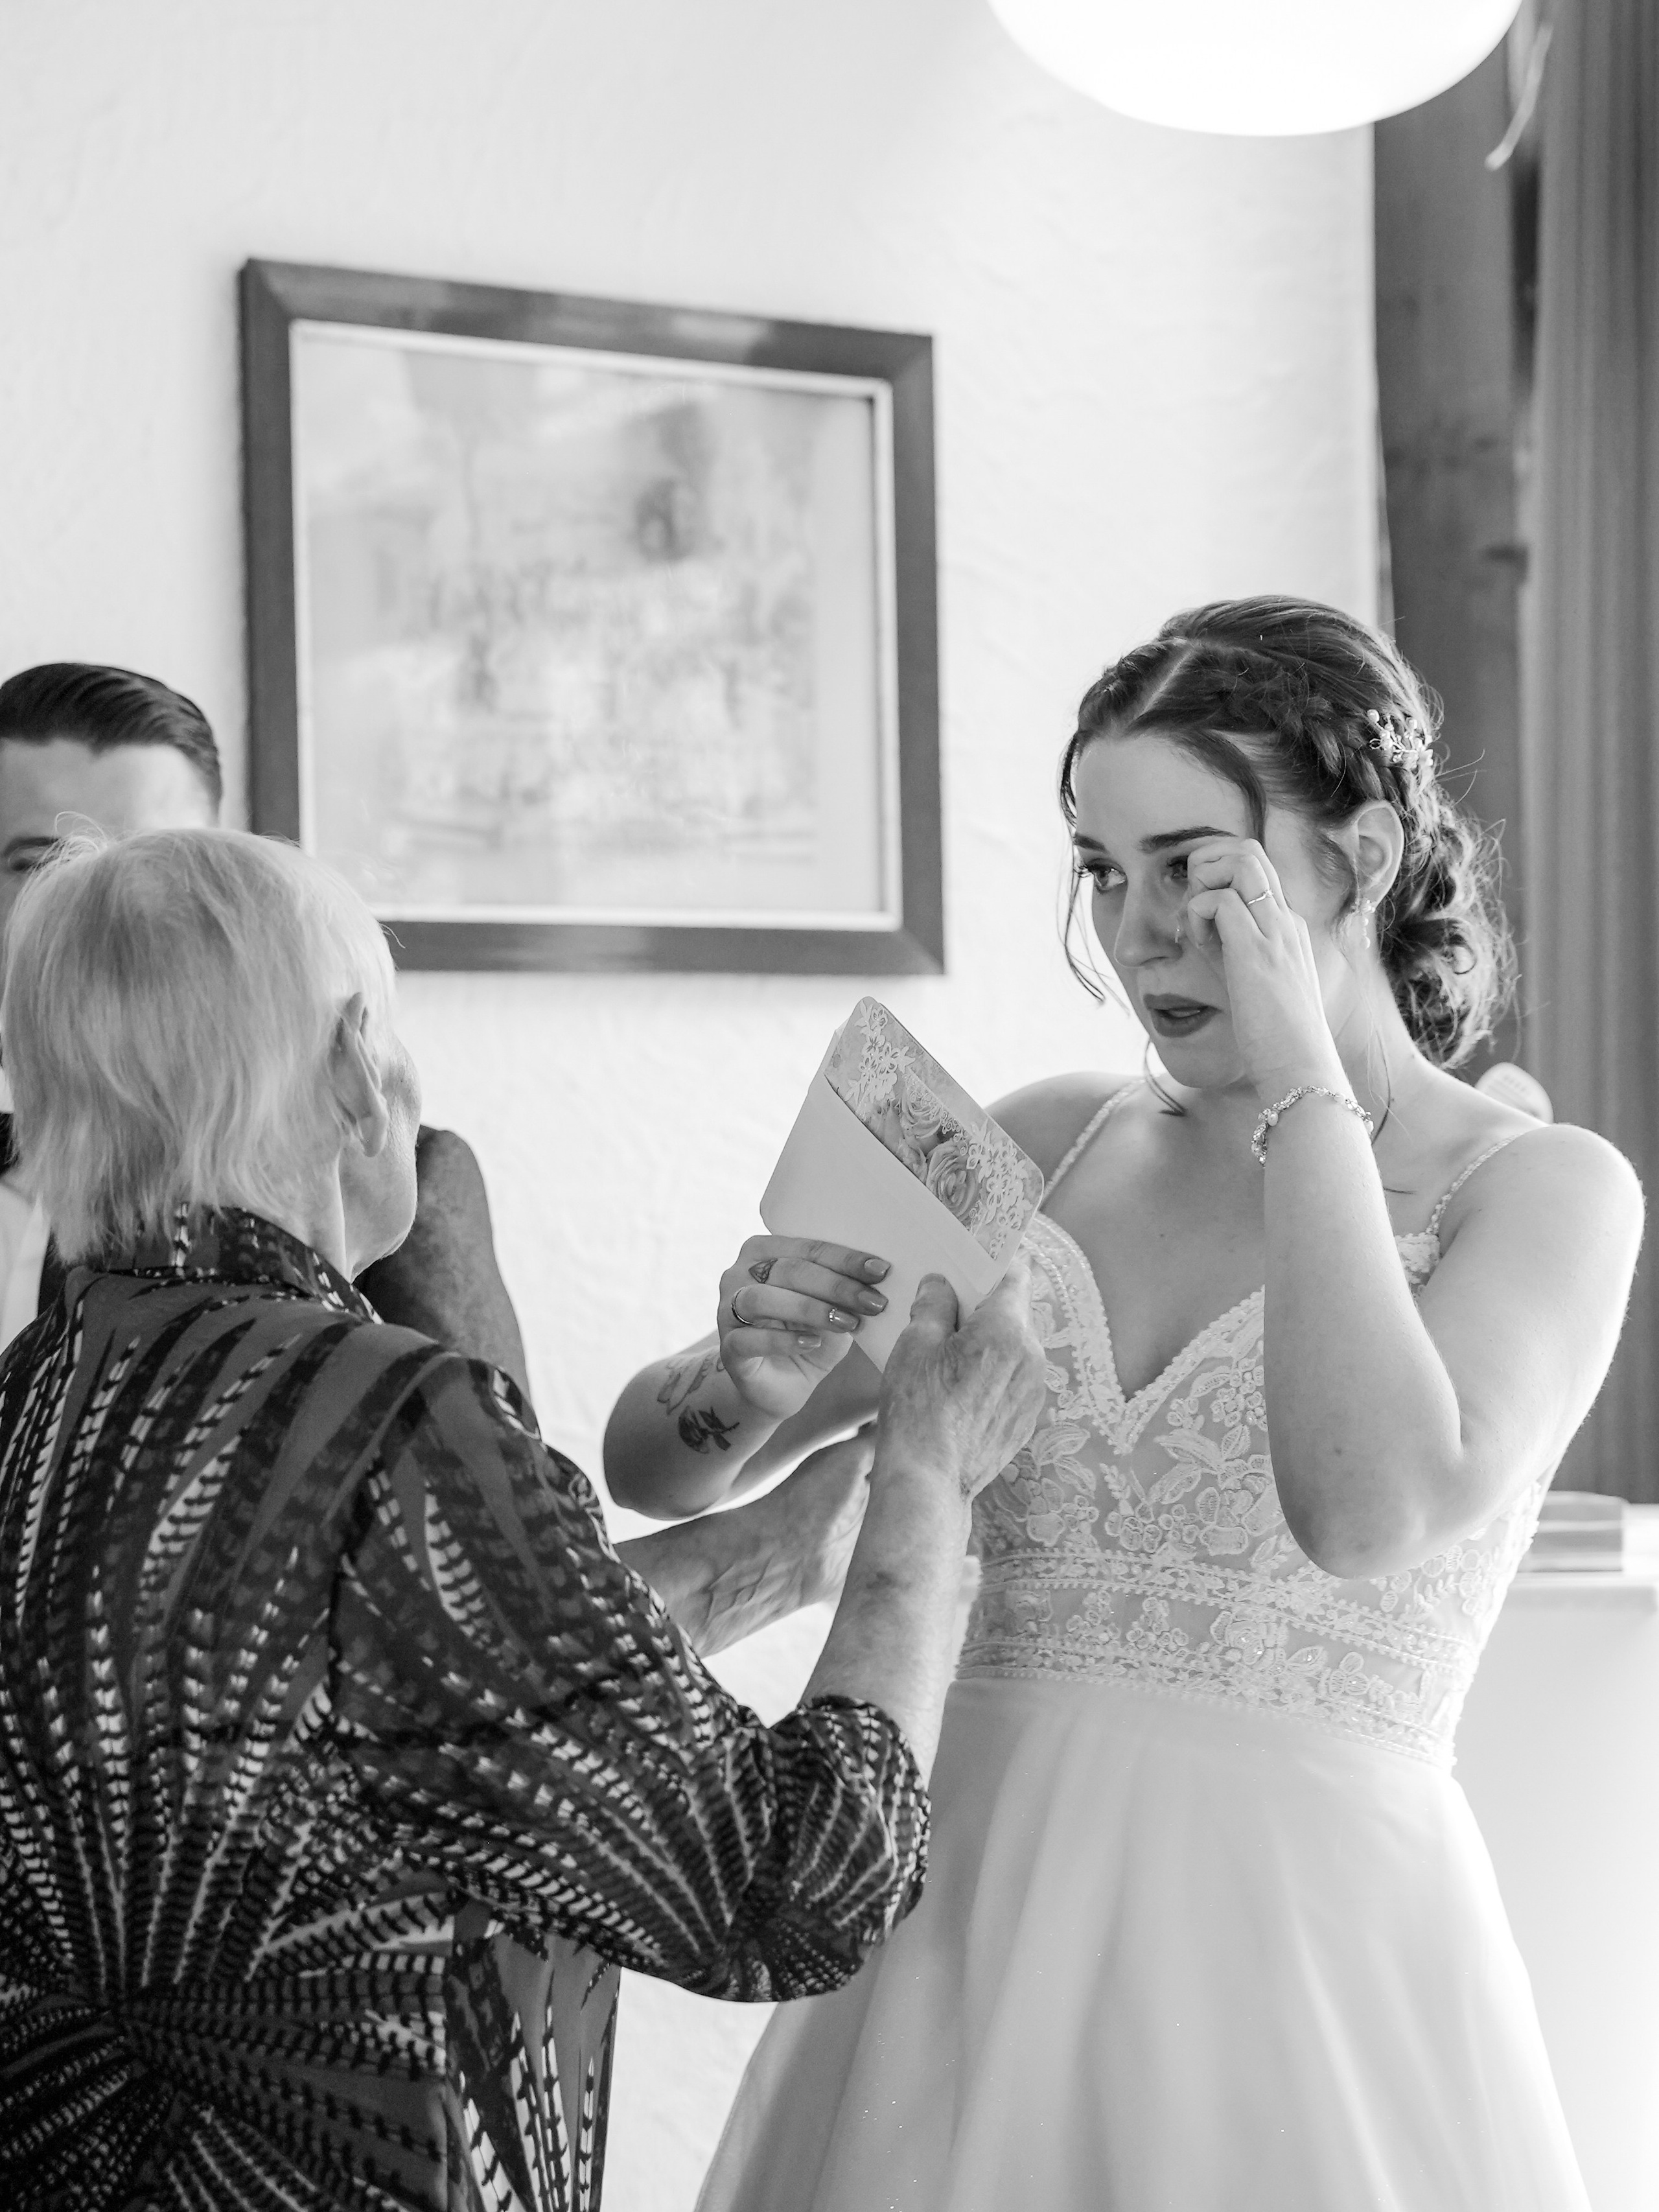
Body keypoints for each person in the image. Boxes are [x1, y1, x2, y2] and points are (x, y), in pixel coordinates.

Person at [606, 597, 1645, 2212]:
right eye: (1099, 869)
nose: (1137, 932)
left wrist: (1301, 1086)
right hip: (957, 1933)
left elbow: (1364, 1501)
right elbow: (655, 1469)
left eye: (1191, 870)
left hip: (1299, 1965)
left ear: (1359, 856)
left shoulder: (1545, 1191)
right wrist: (731, 1388)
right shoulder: (1044, 1140)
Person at [0, 826, 1047, 2211]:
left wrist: (781, 1547)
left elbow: (394, 1715)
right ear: (354, 1066)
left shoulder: (37, 1397)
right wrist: (926, 1477)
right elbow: (793, 1883)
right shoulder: (386, 1416)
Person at [0, 660, 526, 1386]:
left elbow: (480, 1445)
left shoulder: (376, 1176)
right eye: (44, 863)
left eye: (153, 863)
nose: (100, 911)